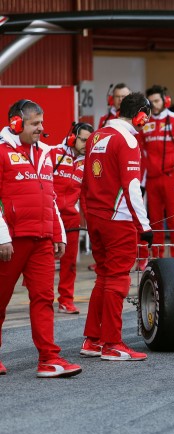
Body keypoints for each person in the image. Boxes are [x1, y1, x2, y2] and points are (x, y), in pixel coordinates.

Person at [0, 99, 82, 377]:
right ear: (16, 122)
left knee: (44, 299)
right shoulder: (1, 152)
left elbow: (52, 197)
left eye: (41, 123)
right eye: (35, 123)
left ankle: (49, 359)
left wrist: (58, 233)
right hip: (10, 241)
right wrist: (1, 237)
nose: (41, 129)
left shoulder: (46, 152)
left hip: (43, 239)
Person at [80, 92, 153, 361]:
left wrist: (89, 216)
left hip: (97, 217)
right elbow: (132, 186)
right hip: (118, 218)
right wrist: (144, 225)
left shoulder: (97, 135)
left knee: (103, 277)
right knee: (118, 280)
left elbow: (85, 181)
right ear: (140, 115)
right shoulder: (127, 139)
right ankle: (112, 343)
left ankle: (93, 340)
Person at [140, 85, 174, 259]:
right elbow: (140, 152)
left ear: (165, 100)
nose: (154, 105)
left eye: (157, 100)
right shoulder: (144, 123)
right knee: (154, 221)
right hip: (152, 180)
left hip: (172, 178)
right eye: (151, 102)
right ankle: (157, 258)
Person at [52, 122, 93, 314]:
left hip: (71, 218)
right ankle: (41, 298)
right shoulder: (53, 153)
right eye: (83, 140)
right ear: (72, 137)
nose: (86, 144)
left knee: (69, 264)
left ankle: (65, 301)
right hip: (49, 216)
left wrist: (89, 223)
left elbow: (85, 195)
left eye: (89, 141)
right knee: (41, 262)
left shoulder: (88, 163)